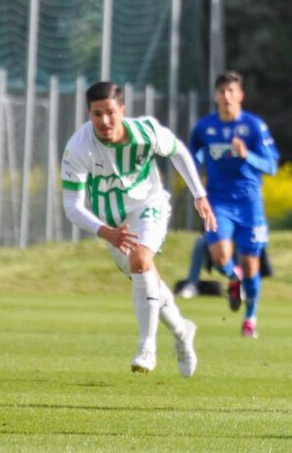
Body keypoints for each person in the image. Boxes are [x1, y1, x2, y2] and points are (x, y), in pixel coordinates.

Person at [61, 81, 217, 377]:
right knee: (147, 279)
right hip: (113, 225)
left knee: (141, 260)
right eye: (97, 114)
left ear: (122, 110)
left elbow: (178, 151)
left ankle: (147, 347)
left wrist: (199, 194)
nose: (104, 121)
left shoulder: (145, 132)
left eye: (110, 112)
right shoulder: (78, 147)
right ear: (89, 114)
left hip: (149, 205)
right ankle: (182, 332)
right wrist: (106, 231)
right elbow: (72, 206)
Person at [185, 71, 280, 338]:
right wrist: (196, 188)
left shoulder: (254, 126)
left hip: (249, 202)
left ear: (240, 95)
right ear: (216, 96)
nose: (226, 96)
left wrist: (247, 154)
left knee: (251, 265)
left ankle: (250, 319)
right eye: (222, 91)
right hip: (218, 201)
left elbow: (271, 166)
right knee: (220, 257)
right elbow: (191, 160)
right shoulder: (204, 128)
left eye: (231, 91)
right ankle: (233, 278)